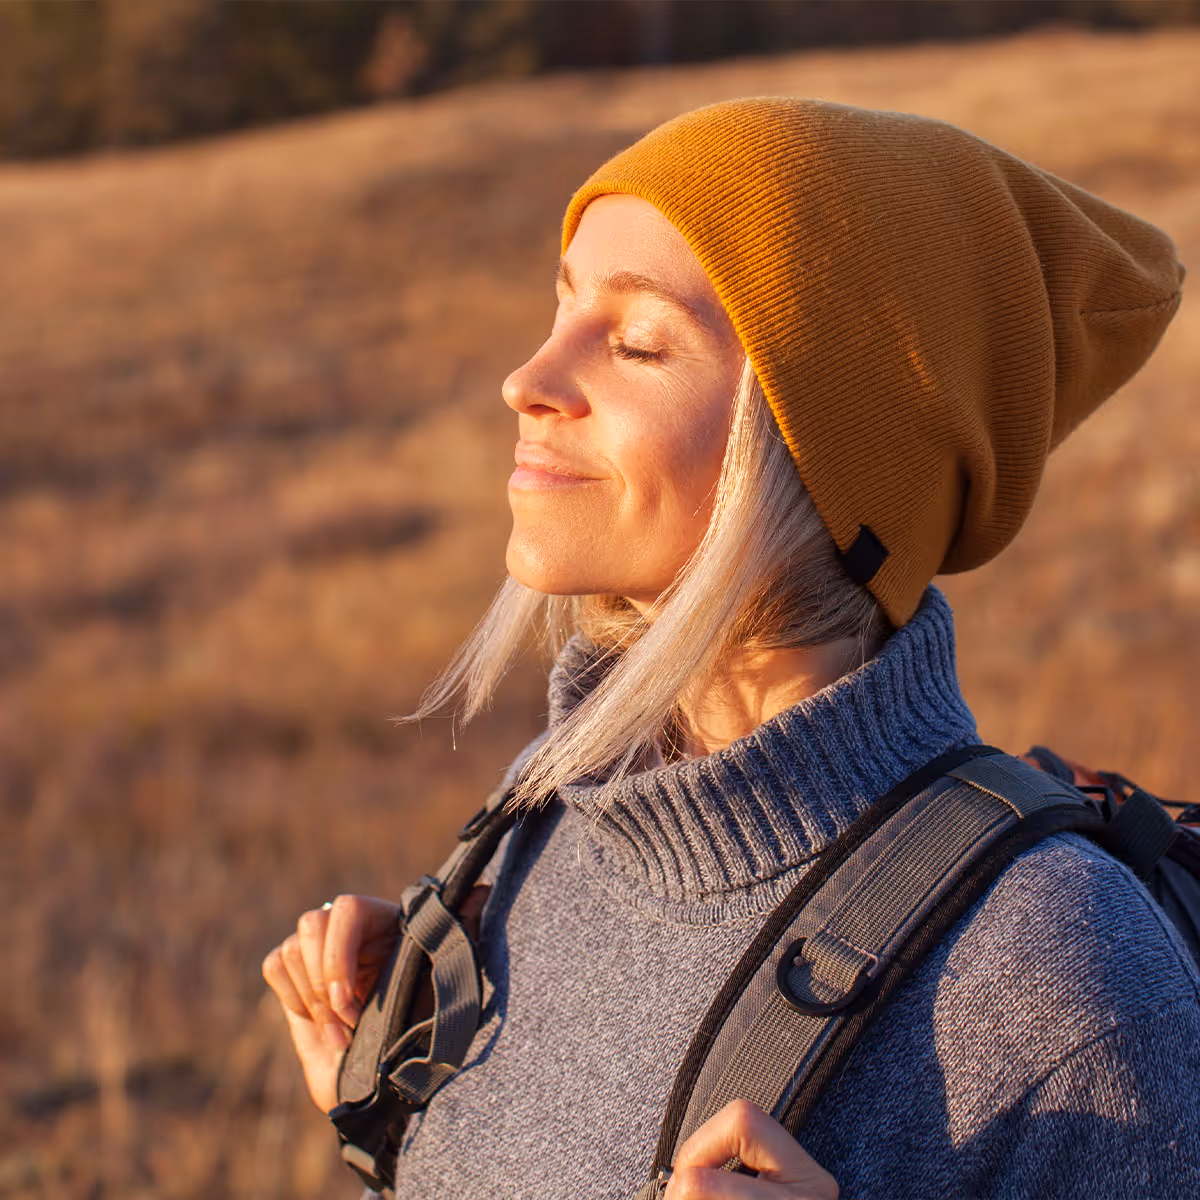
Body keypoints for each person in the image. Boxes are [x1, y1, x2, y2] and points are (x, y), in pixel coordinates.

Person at [263, 99, 1199, 1198]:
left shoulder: (1059, 977)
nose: (528, 379)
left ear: (829, 463)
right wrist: (394, 1122)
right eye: (560, 307)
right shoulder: (553, 807)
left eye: (637, 342)